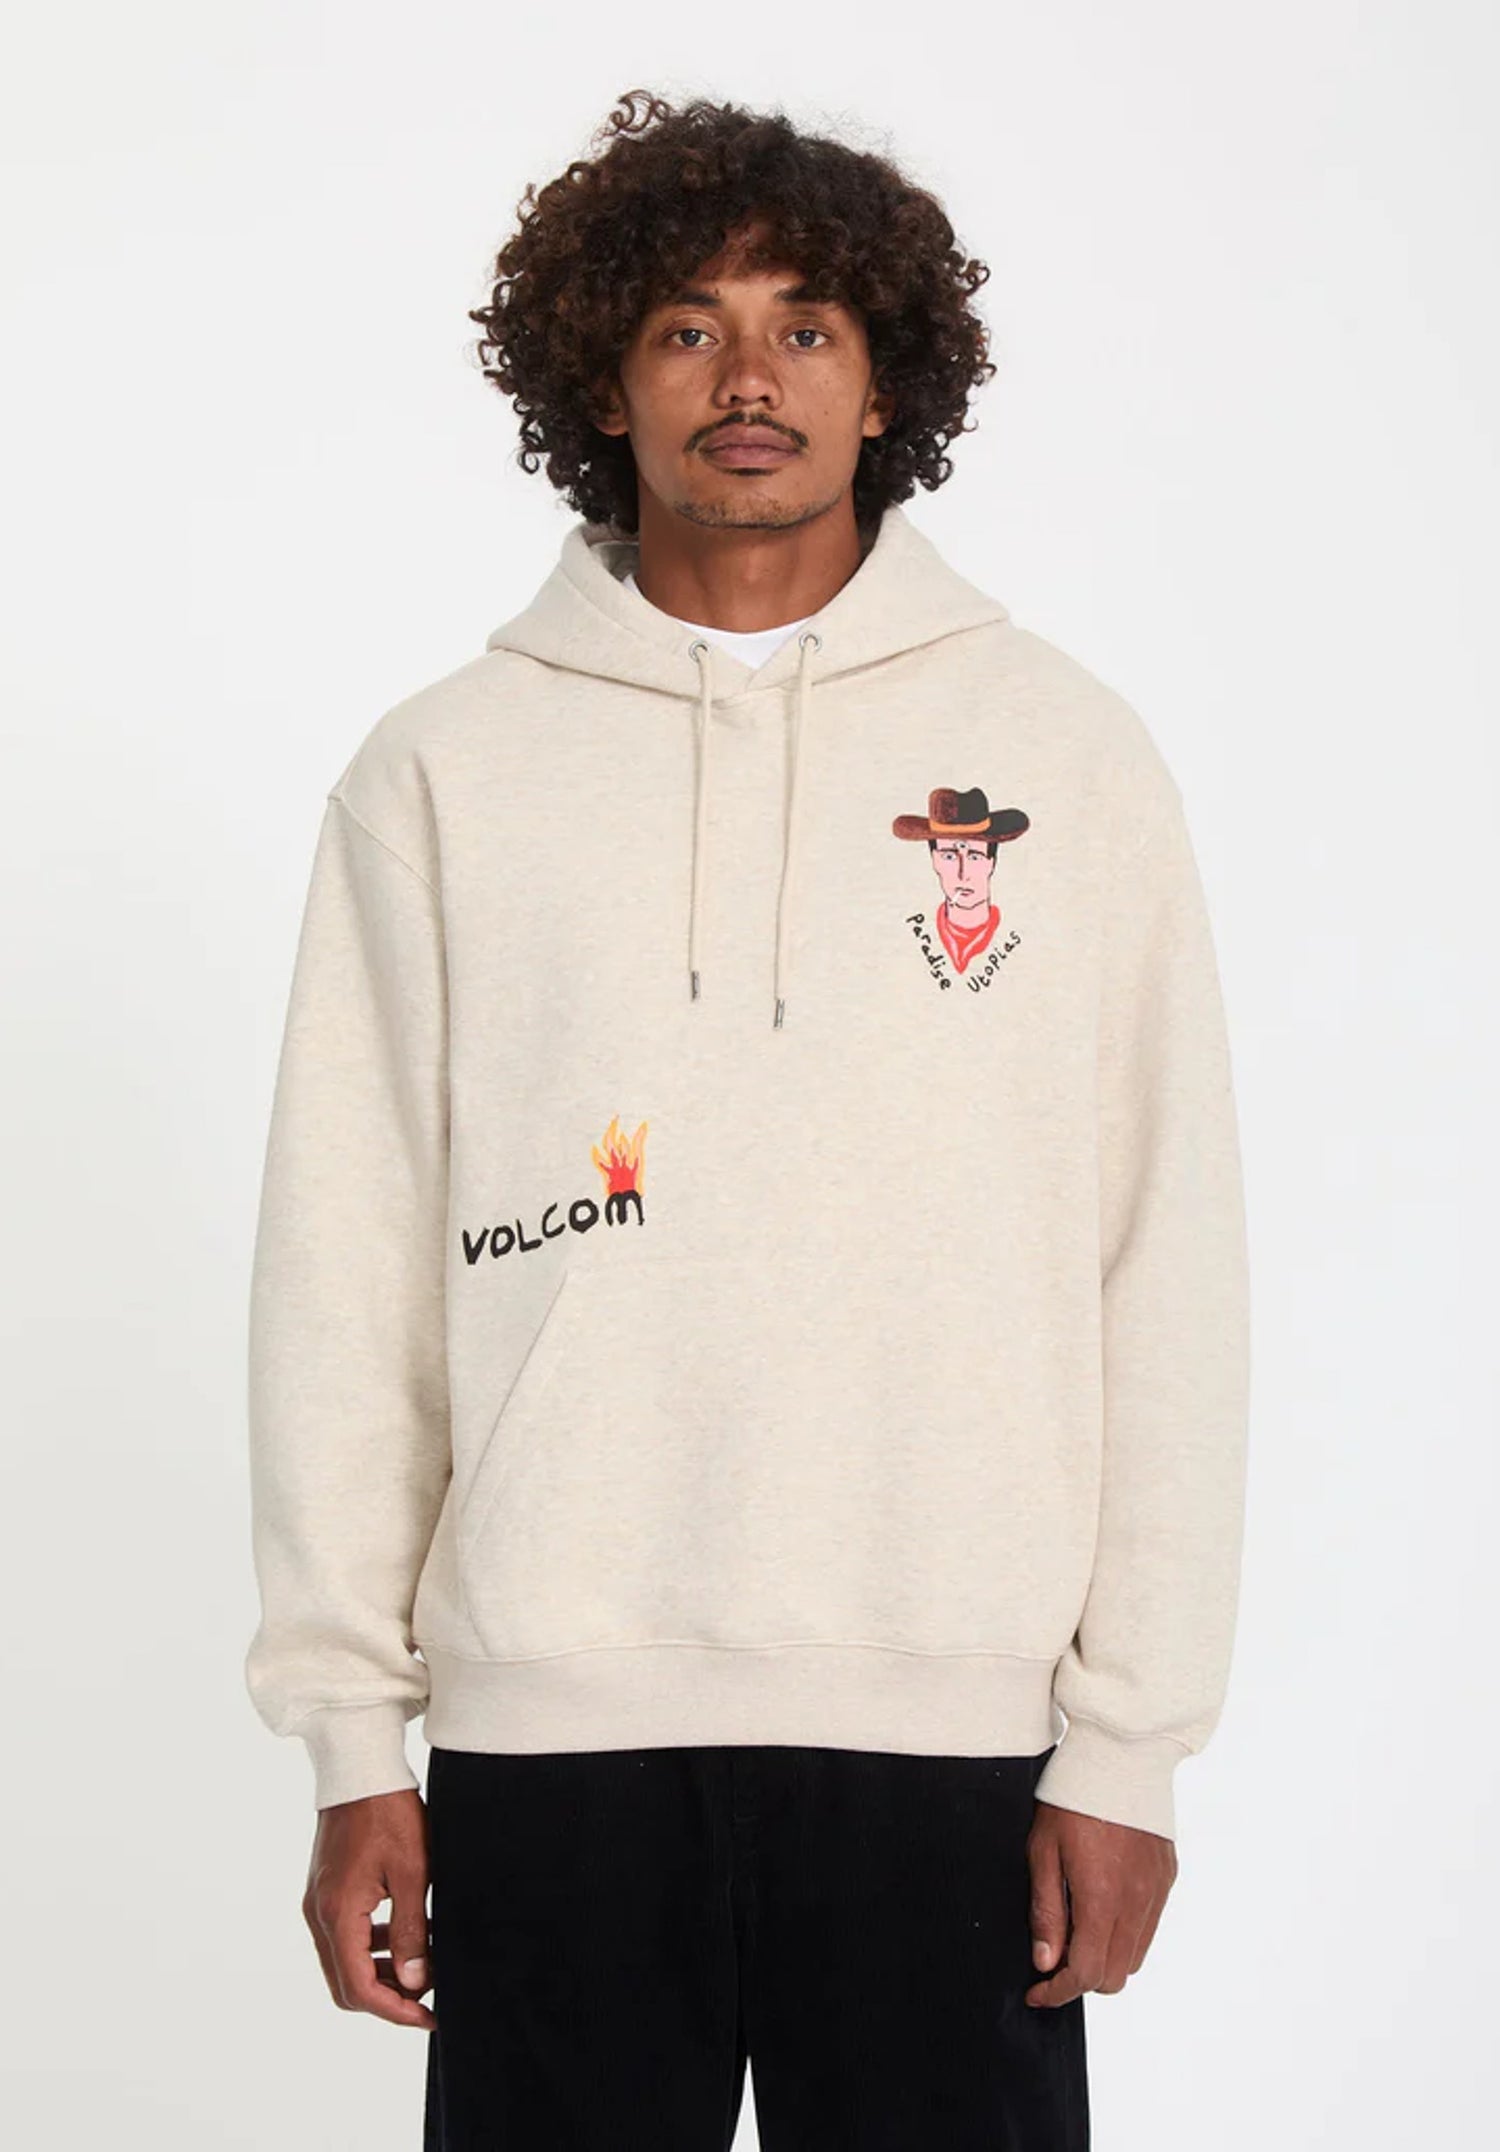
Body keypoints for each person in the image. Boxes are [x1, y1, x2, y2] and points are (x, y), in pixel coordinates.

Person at [243, 86, 1251, 2150]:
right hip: (553, 1718)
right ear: (601, 380)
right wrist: (353, 1734)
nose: (749, 379)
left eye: (806, 326)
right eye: (687, 328)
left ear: (887, 381)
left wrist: (1129, 1745)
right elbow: (347, 1267)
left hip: (958, 1721)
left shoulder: (1068, 755)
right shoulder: (443, 772)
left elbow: (1166, 1259)